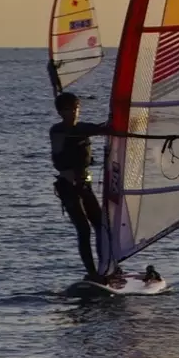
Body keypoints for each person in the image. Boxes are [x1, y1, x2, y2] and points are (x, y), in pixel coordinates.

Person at [49, 93, 106, 279]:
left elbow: (99, 129)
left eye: (75, 109)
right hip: (68, 187)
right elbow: (66, 142)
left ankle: (106, 265)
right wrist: (91, 131)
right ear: (60, 112)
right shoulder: (57, 131)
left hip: (85, 184)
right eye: (67, 110)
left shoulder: (82, 128)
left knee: (101, 225)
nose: (72, 113)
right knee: (83, 228)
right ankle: (92, 273)